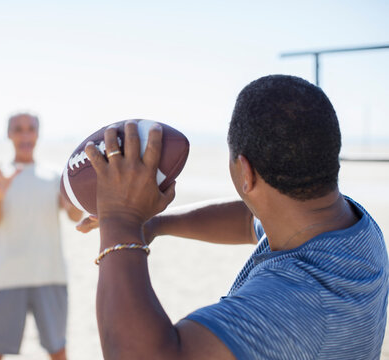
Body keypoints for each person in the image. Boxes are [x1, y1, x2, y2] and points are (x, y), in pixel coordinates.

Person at [78, 75, 388, 359]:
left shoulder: (296, 304)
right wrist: (155, 224)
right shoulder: (355, 227)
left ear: (245, 173)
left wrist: (121, 220)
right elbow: (249, 219)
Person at [0, 112, 82, 360]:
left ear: (37, 134)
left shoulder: (55, 177)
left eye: (30, 129)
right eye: (18, 129)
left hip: (51, 275)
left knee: (58, 350)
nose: (25, 135)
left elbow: (74, 215)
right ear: (9, 134)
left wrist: (73, 198)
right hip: (6, 278)